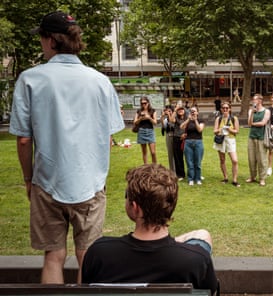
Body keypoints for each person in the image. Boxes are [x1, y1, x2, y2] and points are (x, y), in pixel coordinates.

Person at [8, 11, 124, 283]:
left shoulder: (30, 79)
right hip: (90, 184)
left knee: (53, 256)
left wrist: (28, 178)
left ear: (50, 40)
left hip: (47, 182)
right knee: (88, 255)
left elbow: (24, 139)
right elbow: (107, 137)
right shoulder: (100, 81)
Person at [82, 164, 218, 295]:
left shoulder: (99, 253)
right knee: (202, 235)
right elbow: (210, 291)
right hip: (179, 253)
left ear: (135, 207)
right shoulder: (196, 260)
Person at [213, 102, 241, 187]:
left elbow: (237, 131)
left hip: (230, 139)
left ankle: (235, 180)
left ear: (230, 109)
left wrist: (230, 130)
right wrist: (220, 129)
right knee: (222, 160)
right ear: (221, 109)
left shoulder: (234, 118)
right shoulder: (219, 118)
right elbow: (214, 131)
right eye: (223, 108)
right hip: (221, 140)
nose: (225, 109)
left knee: (235, 160)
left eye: (227, 108)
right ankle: (225, 177)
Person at [246, 93, 271, 186]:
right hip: (251, 137)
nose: (253, 101)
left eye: (255, 99)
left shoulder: (266, 111)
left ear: (260, 100)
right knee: (251, 158)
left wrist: (253, 123)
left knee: (262, 159)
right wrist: (252, 113)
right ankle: (252, 176)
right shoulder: (250, 111)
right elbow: (249, 123)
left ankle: (262, 178)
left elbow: (263, 123)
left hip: (261, 137)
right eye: (253, 99)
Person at [180, 106, 205, 186]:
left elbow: (199, 129)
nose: (193, 112)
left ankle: (197, 179)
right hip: (188, 142)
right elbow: (181, 127)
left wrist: (195, 120)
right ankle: (190, 178)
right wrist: (188, 119)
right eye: (191, 111)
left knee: (197, 162)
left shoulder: (201, 120)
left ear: (198, 112)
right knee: (189, 162)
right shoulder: (188, 121)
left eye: (194, 111)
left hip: (198, 142)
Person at [134, 97, 157, 164]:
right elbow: (135, 122)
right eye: (142, 103)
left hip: (150, 131)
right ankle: (146, 166)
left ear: (148, 103)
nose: (143, 105)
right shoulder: (139, 111)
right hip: (141, 131)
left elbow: (155, 123)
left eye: (145, 103)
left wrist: (149, 117)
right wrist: (141, 118)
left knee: (153, 152)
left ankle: (155, 166)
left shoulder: (152, 111)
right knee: (144, 152)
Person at [171, 105, 187, 181]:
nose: (180, 110)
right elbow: (171, 120)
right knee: (178, 157)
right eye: (179, 110)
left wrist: (185, 135)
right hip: (177, 138)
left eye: (182, 109)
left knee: (189, 157)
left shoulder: (187, 118)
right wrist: (175, 109)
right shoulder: (176, 118)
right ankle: (180, 174)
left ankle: (193, 173)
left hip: (186, 139)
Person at [161, 105, 175, 172]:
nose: (168, 112)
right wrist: (162, 116)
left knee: (177, 154)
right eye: (167, 111)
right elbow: (164, 127)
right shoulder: (165, 119)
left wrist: (169, 115)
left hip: (175, 136)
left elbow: (172, 124)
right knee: (170, 154)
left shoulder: (175, 118)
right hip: (168, 136)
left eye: (170, 111)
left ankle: (178, 170)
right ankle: (172, 169)